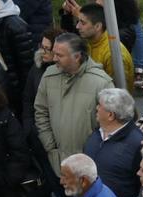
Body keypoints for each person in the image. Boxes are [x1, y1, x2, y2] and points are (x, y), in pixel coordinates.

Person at [37, 32, 117, 175]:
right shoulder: (49, 75)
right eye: (54, 53)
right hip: (56, 162)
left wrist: (94, 151)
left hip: (90, 166)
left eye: (59, 55)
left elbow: (112, 124)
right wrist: (49, 145)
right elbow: (41, 111)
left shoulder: (102, 83)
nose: (54, 59)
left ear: (77, 56)